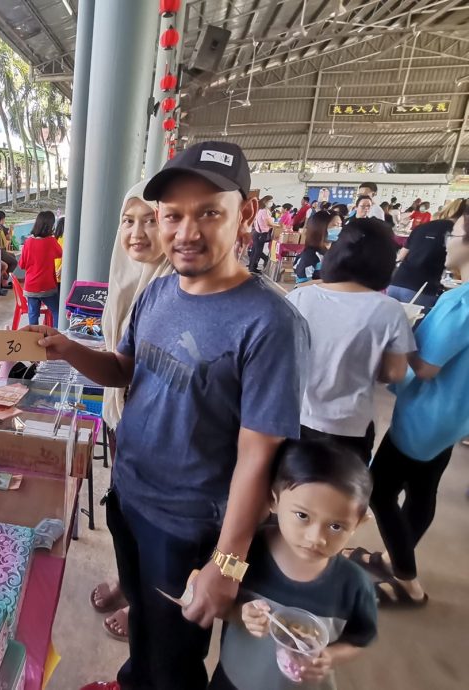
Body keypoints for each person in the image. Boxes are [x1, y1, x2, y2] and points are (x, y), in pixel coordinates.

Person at [38, 141, 308, 690]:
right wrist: (66, 347)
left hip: (189, 526)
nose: (187, 231)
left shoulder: (270, 323)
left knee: (176, 658)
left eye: (209, 212)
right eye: (174, 216)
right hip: (131, 497)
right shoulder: (157, 292)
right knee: (147, 627)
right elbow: (122, 370)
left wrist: (226, 565)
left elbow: (259, 458)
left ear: (247, 213)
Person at [349, 208, 469, 607]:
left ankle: (406, 578)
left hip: (425, 417)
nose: (448, 241)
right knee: (422, 491)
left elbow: (427, 366)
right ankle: (391, 558)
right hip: (452, 416)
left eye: (455, 233)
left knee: (380, 491)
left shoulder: (460, 301)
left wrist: (400, 331)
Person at [210, 440, 378, 690]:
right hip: (233, 681)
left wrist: (330, 656)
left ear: (359, 523)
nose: (316, 538)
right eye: (302, 516)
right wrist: (241, 614)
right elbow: (218, 601)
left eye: (336, 526)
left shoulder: (353, 585)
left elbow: (359, 639)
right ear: (273, 501)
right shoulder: (245, 553)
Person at [90, 180, 174, 644]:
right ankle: (127, 580)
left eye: (150, 219)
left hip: (156, 433)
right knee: (121, 510)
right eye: (128, 220)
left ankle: (145, 606)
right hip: (120, 416)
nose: (136, 232)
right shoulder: (128, 276)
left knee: (147, 524)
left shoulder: (171, 286)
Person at [288, 218, 414, 464]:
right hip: (350, 426)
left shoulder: (299, 297)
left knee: (289, 492)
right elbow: (394, 373)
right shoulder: (389, 310)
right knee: (341, 496)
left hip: (295, 416)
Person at [387, 198, 465, 312]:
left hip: (396, 282)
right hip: (422, 289)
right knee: (414, 328)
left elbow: (401, 256)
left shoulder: (422, 227)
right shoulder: (457, 233)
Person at [18, 210, 63, 325]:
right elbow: (61, 253)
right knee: (57, 311)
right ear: (50, 226)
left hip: (31, 287)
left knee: (33, 315)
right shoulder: (51, 241)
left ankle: (34, 340)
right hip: (47, 286)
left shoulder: (28, 242)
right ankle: (56, 337)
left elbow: (22, 265)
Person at [293, 211, 330, 284]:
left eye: (340, 225)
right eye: (335, 225)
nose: (339, 228)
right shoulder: (310, 255)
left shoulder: (336, 251)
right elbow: (302, 284)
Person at [248, 195, 280, 274]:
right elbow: (268, 223)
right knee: (257, 251)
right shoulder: (264, 211)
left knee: (255, 251)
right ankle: (252, 268)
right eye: (270, 201)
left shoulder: (260, 210)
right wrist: (278, 225)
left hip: (257, 233)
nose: (271, 203)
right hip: (261, 234)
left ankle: (251, 266)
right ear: (265, 202)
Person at [0, 210, 18, 285]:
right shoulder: (0, 227)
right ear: (2, 219)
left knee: (13, 256)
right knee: (14, 262)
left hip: (0, 250)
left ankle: (5, 276)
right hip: (0, 251)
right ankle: (5, 279)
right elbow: (9, 238)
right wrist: (11, 230)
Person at [54, 216, 66, 283]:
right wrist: (60, 269)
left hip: (54, 271)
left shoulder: (54, 239)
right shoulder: (65, 240)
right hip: (60, 271)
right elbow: (66, 256)